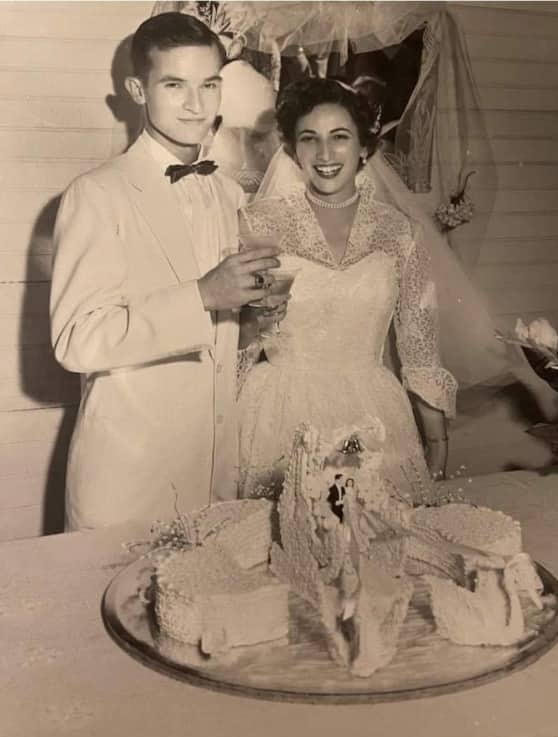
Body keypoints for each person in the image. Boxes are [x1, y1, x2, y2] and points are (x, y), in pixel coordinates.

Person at [50, 12, 280, 530]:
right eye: (175, 85)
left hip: (212, 475)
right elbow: (76, 340)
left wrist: (247, 324)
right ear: (137, 88)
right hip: (129, 480)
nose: (196, 105)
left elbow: (210, 341)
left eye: (209, 85)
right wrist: (201, 295)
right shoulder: (96, 193)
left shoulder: (226, 192)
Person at [237, 78, 457, 502]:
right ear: (290, 150)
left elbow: (419, 349)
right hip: (277, 413)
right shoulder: (257, 224)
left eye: (339, 138)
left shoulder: (399, 233)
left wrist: (437, 445)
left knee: (373, 545)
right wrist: (254, 325)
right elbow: (236, 347)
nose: (324, 154)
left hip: (372, 415)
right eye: (309, 139)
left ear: (364, 148)